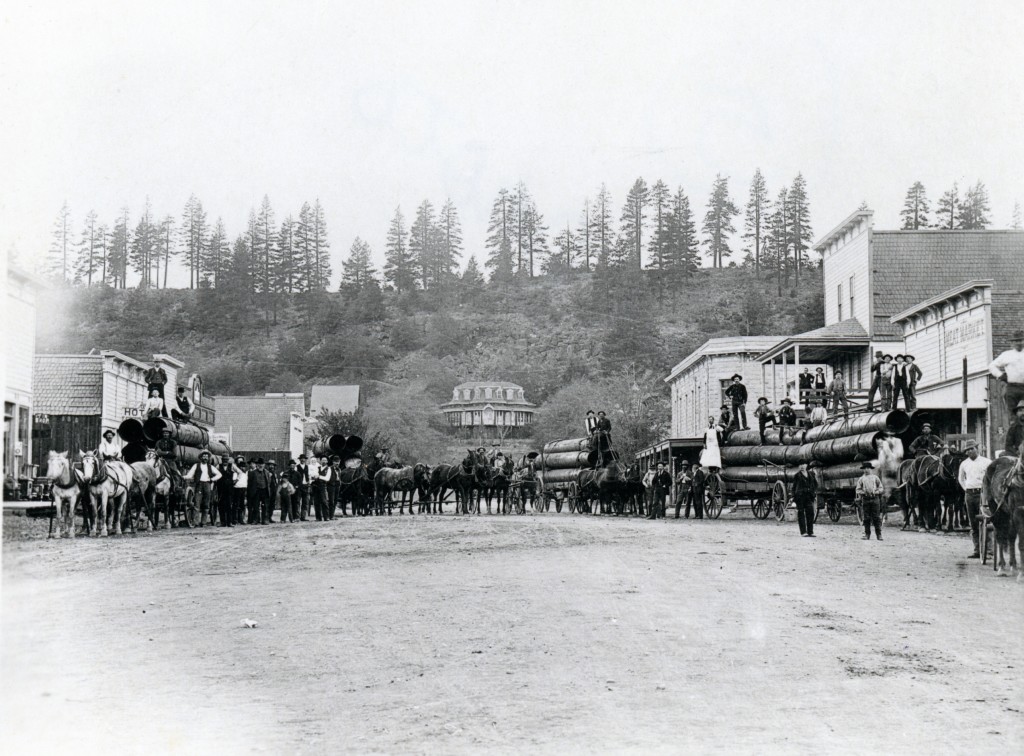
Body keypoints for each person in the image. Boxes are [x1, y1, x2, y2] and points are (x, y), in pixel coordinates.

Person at [957, 440, 991, 559]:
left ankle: (989, 550)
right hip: (970, 495)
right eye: (967, 450)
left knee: (986, 521)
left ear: (977, 448)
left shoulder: (987, 462)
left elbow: (992, 478)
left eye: (972, 448)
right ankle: (977, 550)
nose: (970, 451)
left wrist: (987, 491)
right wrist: (966, 488)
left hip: (983, 494)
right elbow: (961, 479)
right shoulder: (964, 464)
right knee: (973, 522)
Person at [989, 329, 1024, 419]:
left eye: (1020, 340)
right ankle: (1014, 431)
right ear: (1012, 343)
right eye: (1016, 341)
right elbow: (992, 366)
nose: (1018, 343)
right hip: (1012, 388)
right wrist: (1000, 375)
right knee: (1013, 415)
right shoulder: (1007, 355)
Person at [183, 450, 222, 527]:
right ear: (200, 458)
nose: (205, 458)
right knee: (197, 504)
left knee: (206, 504)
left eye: (206, 457)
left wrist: (212, 479)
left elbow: (219, 474)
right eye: (203, 456)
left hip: (207, 485)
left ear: (208, 458)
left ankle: (203, 522)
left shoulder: (211, 467)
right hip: (199, 485)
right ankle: (196, 522)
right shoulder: (196, 465)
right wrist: (184, 477)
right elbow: (190, 475)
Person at [855, 462, 884, 541]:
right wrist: (863, 492)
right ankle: (867, 534)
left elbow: (881, 488)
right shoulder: (861, 479)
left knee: (876, 517)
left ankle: (879, 535)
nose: (866, 470)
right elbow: (858, 489)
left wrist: (877, 492)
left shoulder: (875, 478)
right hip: (866, 499)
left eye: (868, 468)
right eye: (864, 468)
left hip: (875, 499)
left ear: (871, 469)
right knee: (866, 517)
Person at [792, 462, 818, 537]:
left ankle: (810, 532)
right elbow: (794, 487)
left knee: (810, 513)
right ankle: (803, 532)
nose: (802, 466)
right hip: (800, 497)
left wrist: (813, 492)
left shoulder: (811, 474)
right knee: (801, 513)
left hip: (809, 496)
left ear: (806, 465)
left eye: (803, 464)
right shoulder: (797, 476)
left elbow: (815, 484)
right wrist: (793, 496)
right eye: (800, 465)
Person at [246, 458, 272, 525]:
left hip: (264, 491)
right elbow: (250, 484)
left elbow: (269, 482)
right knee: (256, 506)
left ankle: (264, 520)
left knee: (265, 506)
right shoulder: (252, 473)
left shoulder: (267, 472)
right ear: (257, 465)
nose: (261, 465)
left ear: (264, 465)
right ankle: (255, 520)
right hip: (256, 491)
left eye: (262, 464)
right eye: (259, 464)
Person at [216, 454, 236, 527]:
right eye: (223, 459)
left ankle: (229, 522)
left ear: (228, 460)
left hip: (229, 488)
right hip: (220, 488)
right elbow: (213, 473)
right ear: (221, 460)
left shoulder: (232, 466)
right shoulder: (218, 466)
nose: (225, 461)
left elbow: (240, 472)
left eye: (226, 460)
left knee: (229, 505)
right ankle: (223, 522)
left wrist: (236, 480)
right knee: (221, 505)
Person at [312, 455, 332, 521]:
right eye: (322, 460)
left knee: (324, 501)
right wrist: (314, 477)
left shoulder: (328, 469)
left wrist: (319, 476)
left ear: (327, 461)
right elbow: (314, 475)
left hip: (323, 486)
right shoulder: (317, 467)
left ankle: (326, 517)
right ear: (320, 461)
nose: (324, 461)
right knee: (316, 502)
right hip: (316, 486)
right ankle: (318, 517)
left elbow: (327, 478)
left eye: (325, 460)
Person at [232, 458, 248, 525]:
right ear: (239, 467)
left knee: (242, 505)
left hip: (243, 489)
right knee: (236, 505)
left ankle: (240, 519)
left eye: (244, 467)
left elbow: (246, 483)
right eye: (241, 467)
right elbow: (234, 481)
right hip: (237, 489)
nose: (243, 468)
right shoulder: (236, 474)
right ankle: (234, 519)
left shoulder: (245, 475)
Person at [295, 454, 312, 521]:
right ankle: (297, 517)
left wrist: (309, 482)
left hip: (306, 486)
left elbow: (310, 476)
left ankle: (303, 516)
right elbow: (295, 477)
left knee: (305, 502)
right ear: (300, 460)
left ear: (305, 460)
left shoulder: (308, 467)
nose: (303, 460)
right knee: (298, 501)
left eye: (304, 458)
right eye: (301, 458)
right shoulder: (297, 467)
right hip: (299, 486)